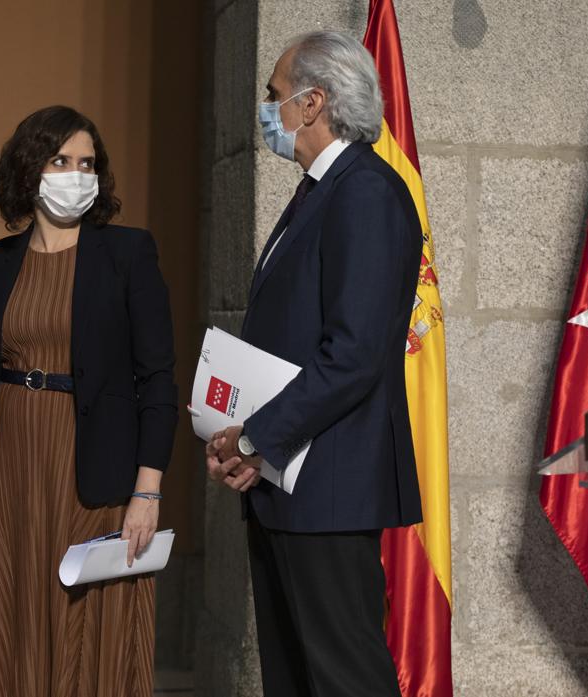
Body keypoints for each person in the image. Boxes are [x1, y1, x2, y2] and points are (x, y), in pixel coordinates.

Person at [0, 105, 178, 697]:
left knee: (84, 642)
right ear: (28, 168)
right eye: (61, 159)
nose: (75, 174)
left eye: (86, 163)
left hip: (93, 478)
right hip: (0, 478)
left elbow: (158, 381)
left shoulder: (128, 253)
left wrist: (147, 491)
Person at [204, 30, 423, 697]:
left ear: (312, 102)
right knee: (295, 678)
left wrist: (254, 436)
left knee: (343, 678)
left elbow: (353, 355)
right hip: (286, 480)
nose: (266, 111)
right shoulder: (315, 192)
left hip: (328, 482)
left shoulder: (366, 193)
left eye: (274, 95)